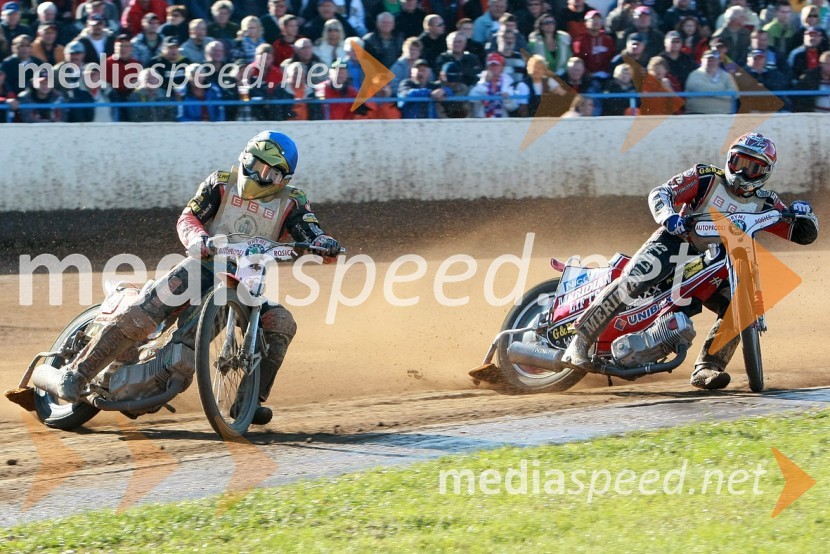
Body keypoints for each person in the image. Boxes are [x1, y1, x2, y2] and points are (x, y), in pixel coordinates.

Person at [48, 131, 342, 427]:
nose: (261, 176)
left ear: (284, 179)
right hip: (202, 265)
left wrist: (325, 243)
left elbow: (310, 230)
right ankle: (78, 372)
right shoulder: (221, 182)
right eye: (257, 166)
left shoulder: (293, 201)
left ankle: (248, 402)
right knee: (145, 315)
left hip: (245, 280)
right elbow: (188, 217)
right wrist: (199, 238)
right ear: (245, 158)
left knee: (281, 323)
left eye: (271, 173)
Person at [562, 133, 818, 390]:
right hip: (675, 243)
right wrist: (669, 217)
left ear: (765, 173)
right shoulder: (706, 176)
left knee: (741, 306)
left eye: (752, 168)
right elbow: (661, 192)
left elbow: (802, 235)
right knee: (635, 278)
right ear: (729, 159)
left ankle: (708, 366)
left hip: (717, 264)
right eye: (738, 162)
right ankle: (580, 341)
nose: (742, 172)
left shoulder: (767, 203)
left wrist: (804, 216)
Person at [683, 49, 738, 114]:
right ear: (702, 60)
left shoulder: (727, 76)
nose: (711, 62)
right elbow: (700, 89)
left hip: (724, 114)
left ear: (719, 61)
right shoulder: (695, 75)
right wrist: (722, 89)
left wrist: (710, 93)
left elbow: (735, 94)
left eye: (714, 60)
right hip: (698, 113)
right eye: (708, 60)